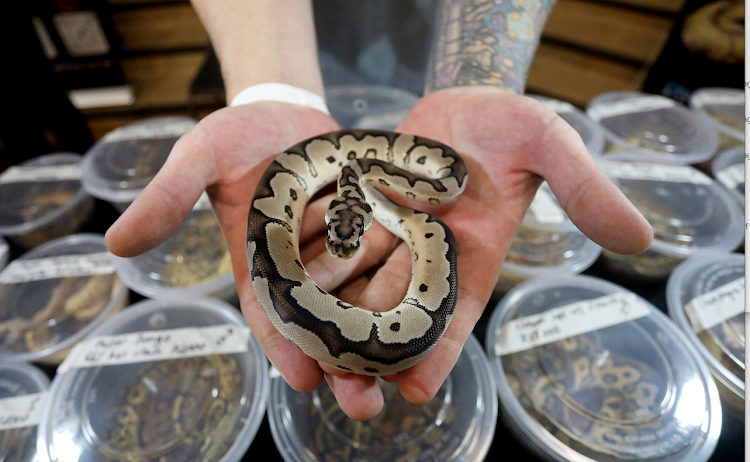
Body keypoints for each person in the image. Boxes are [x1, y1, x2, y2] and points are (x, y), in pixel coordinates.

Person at [105, 0, 653, 421]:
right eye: (346, 238)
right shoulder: (368, 191)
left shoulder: (387, 184)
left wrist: (476, 82)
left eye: (348, 236)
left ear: (359, 210)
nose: (343, 246)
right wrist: (272, 86)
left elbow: (402, 183)